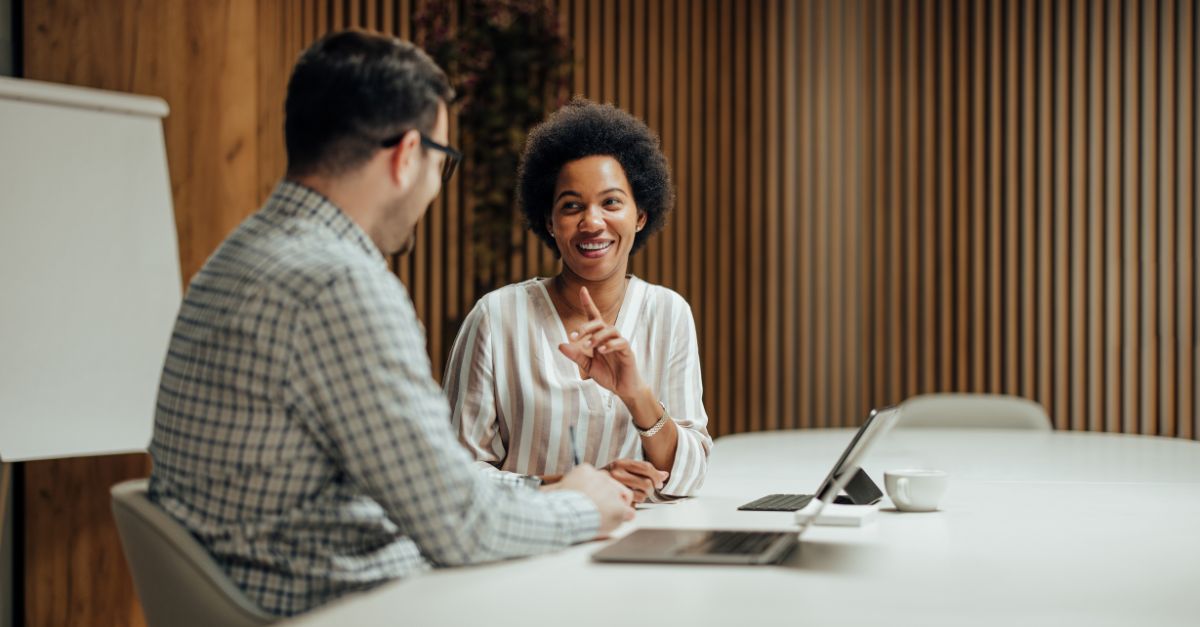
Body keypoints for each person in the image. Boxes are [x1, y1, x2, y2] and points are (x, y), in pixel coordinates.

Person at [148, 31, 634, 618]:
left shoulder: (240, 255)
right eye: (442, 163)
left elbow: (420, 481)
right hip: (341, 607)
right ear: (407, 155)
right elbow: (461, 527)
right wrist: (583, 506)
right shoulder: (339, 284)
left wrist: (543, 487)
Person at [444, 100, 711, 503]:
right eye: (571, 206)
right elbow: (455, 476)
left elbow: (689, 477)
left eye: (611, 202)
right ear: (549, 222)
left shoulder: (668, 313)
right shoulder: (496, 317)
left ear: (640, 215)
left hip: (638, 537)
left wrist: (636, 394)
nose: (592, 222)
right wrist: (570, 487)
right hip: (527, 537)